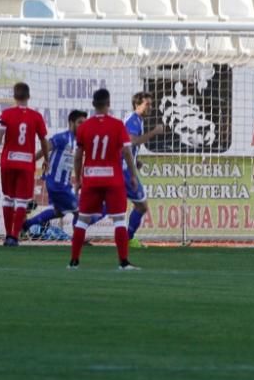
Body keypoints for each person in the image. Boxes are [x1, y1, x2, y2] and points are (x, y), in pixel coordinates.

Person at [69, 88, 142, 271]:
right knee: (118, 220)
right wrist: (133, 175)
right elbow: (126, 152)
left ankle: (74, 261)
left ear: (93, 105)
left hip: (92, 178)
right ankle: (123, 262)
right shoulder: (117, 125)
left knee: (82, 220)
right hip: (113, 179)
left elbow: (78, 156)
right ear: (108, 104)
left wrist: (77, 179)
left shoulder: (84, 127)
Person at [0, 83, 50, 247]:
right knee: (21, 201)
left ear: (14, 97)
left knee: (8, 199)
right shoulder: (36, 116)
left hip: (8, 162)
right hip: (26, 164)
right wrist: (47, 160)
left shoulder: (6, 114)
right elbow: (44, 141)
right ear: (28, 96)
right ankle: (14, 237)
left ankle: (7, 235)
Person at [23, 110, 88, 237]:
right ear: (71, 123)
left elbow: (76, 161)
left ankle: (26, 224)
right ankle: (79, 239)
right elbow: (45, 148)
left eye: (85, 123)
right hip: (56, 184)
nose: (83, 126)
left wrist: (79, 178)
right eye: (80, 122)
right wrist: (30, 161)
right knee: (80, 211)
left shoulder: (79, 141)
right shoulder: (62, 137)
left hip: (62, 184)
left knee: (59, 212)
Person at [123, 92, 166, 248]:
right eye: (147, 104)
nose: (150, 107)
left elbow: (125, 145)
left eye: (151, 104)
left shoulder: (136, 120)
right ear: (137, 105)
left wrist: (135, 161)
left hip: (125, 167)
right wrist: (154, 132)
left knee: (110, 207)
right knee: (141, 206)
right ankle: (127, 239)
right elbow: (132, 142)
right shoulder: (133, 120)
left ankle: (81, 224)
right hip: (125, 171)